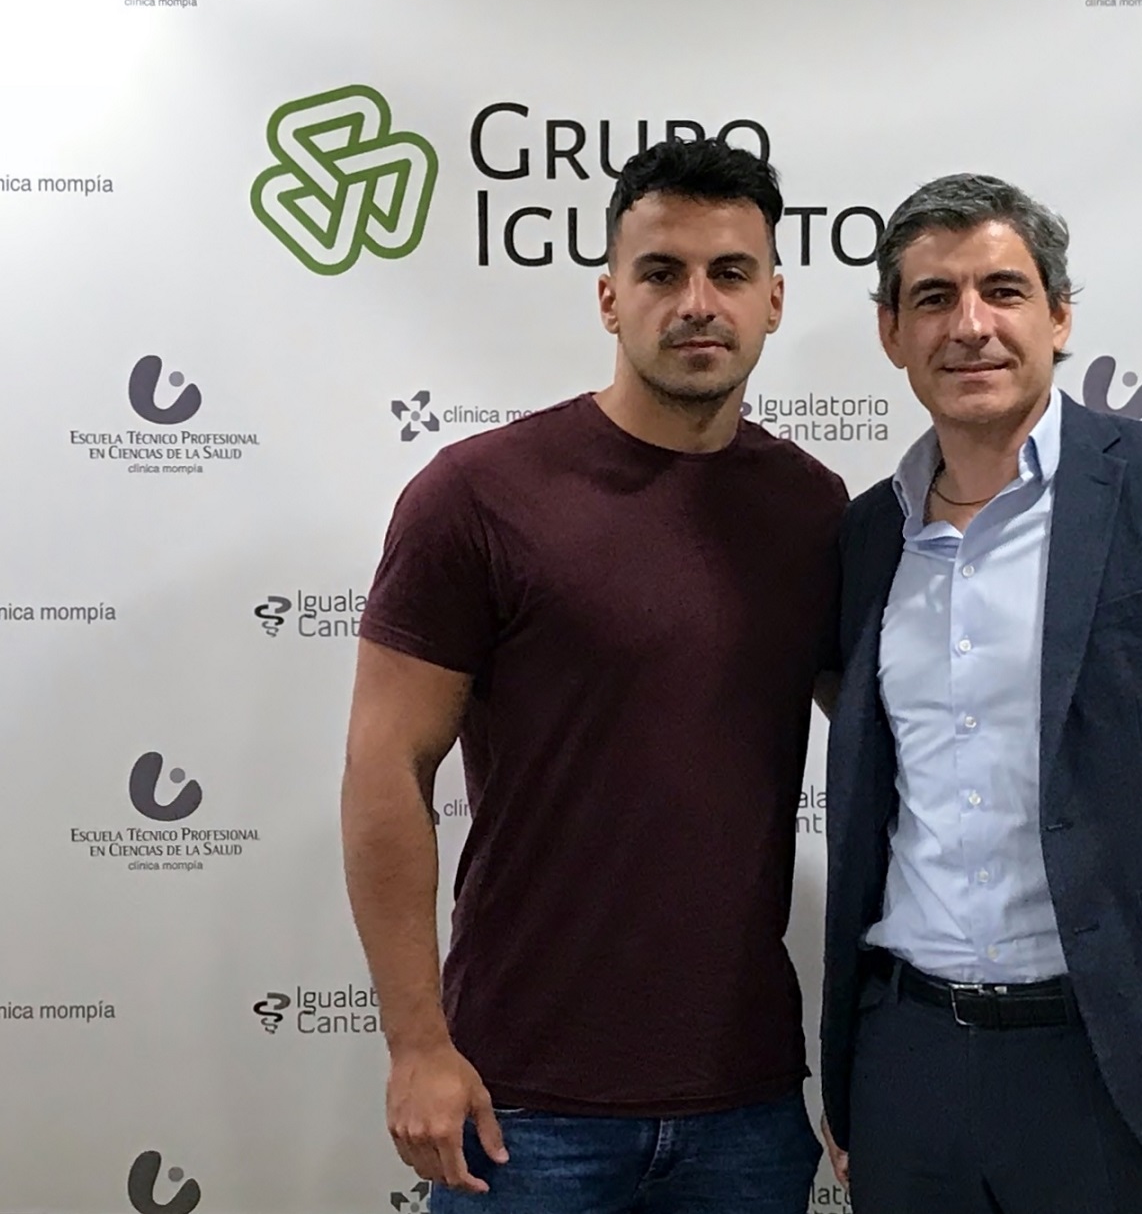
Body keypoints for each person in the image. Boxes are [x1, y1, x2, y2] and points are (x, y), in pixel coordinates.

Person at [341, 138, 846, 1214]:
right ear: (610, 297)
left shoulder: (814, 510)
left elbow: (900, 750)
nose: (697, 303)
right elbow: (387, 767)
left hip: (749, 1104)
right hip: (520, 1104)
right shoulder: (477, 496)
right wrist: (416, 1044)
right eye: (662, 272)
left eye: (730, 273)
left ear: (774, 300)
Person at [818, 173, 1142, 1214]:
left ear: (1058, 317)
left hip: (1127, 1060)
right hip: (909, 1065)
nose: (970, 325)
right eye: (933, 298)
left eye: (1003, 291)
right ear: (890, 332)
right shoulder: (867, 535)